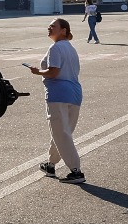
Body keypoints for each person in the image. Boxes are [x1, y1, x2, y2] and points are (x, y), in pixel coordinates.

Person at [30, 18, 85, 184]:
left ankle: (76, 171)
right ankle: (51, 165)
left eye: (53, 26)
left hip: (58, 94)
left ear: (63, 30)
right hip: (74, 93)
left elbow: (53, 72)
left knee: (61, 133)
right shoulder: (71, 48)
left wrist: (38, 72)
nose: (49, 27)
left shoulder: (55, 48)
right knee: (63, 133)